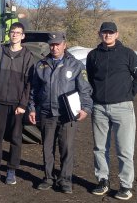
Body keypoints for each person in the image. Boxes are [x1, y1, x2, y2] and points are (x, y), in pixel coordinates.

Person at [29, 32, 93, 194]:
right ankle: (48, 177)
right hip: (46, 113)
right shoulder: (41, 65)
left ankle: (65, 180)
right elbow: (34, 90)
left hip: (67, 115)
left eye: (57, 44)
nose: (54, 47)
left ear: (64, 44)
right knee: (47, 148)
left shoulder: (76, 65)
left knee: (66, 148)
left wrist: (85, 108)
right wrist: (31, 108)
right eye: (52, 44)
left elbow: (85, 89)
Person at [86, 22, 137, 200]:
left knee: (125, 149)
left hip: (123, 108)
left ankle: (125, 186)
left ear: (117, 34)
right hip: (99, 108)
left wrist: (127, 95)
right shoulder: (93, 55)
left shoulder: (128, 54)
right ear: (99, 34)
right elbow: (91, 77)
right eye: (105, 32)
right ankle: (102, 180)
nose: (108, 35)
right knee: (100, 147)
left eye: (111, 32)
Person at [0, 22, 35, 185]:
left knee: (16, 138)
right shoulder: (0, 53)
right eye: (12, 32)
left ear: (23, 36)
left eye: (18, 33)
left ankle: (11, 170)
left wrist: (23, 105)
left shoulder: (28, 56)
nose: (15, 35)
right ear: (9, 34)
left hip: (17, 105)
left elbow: (29, 84)